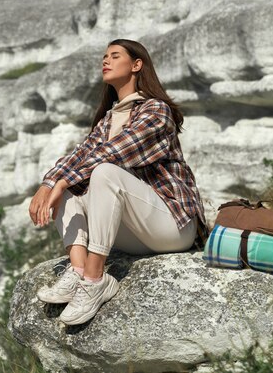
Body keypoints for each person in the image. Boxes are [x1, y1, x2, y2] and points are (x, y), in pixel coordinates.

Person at [28, 38, 207, 326]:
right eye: (104, 56)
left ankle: (96, 278)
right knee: (72, 185)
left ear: (136, 65)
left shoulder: (155, 111)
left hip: (173, 228)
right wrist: (50, 183)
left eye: (114, 56)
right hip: (136, 233)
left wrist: (61, 182)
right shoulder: (108, 119)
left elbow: (115, 153)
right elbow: (79, 155)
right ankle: (78, 270)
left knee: (103, 172)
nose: (105, 61)